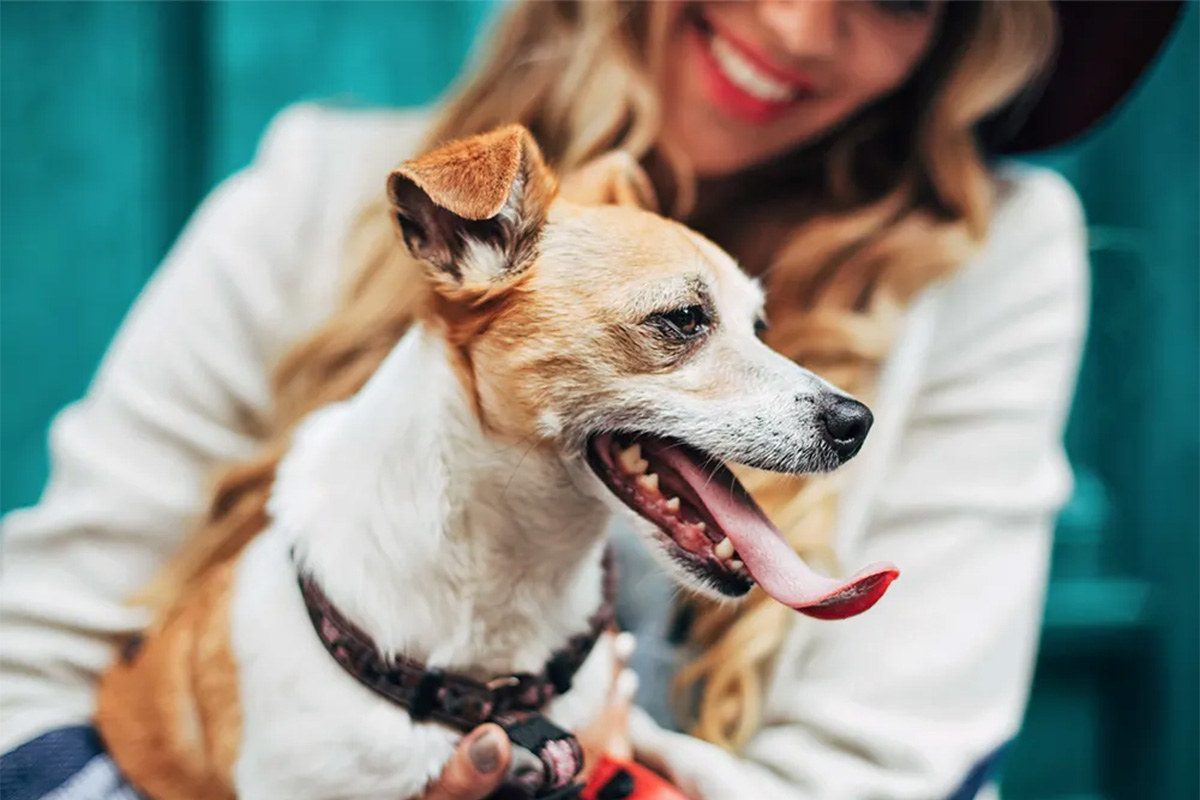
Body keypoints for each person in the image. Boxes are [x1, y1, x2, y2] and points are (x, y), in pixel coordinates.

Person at [0, 2, 1182, 799]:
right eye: (675, 324)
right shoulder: (317, 189)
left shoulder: (990, 258)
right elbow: (27, 654)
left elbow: (896, 763)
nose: (796, 23)